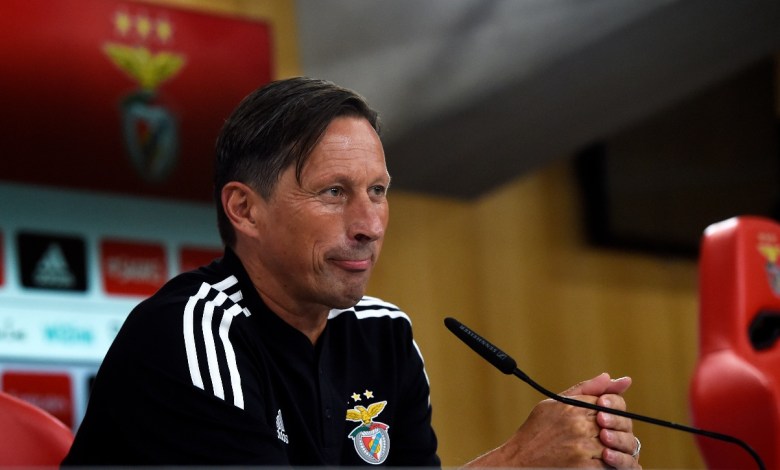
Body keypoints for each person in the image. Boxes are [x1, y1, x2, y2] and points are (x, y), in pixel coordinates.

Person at [62, 77, 641, 468]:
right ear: (245, 209)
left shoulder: (384, 334)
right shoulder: (191, 334)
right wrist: (516, 462)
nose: (369, 225)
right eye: (334, 192)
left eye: (378, 191)